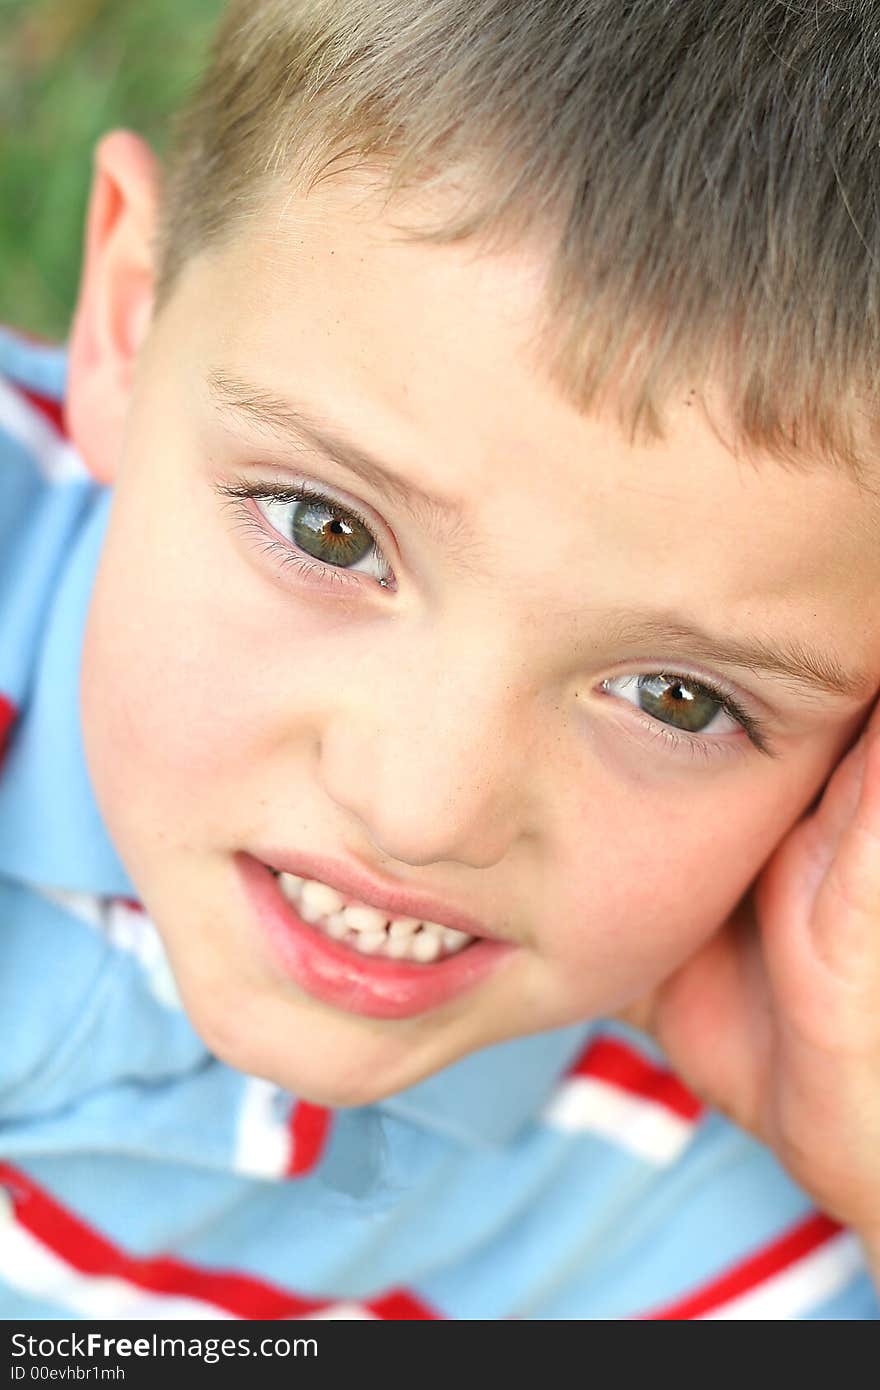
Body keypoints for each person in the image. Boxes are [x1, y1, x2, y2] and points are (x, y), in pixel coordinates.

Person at [2, 0, 879, 1320]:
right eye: (327, 527)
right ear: (129, 316)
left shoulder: (715, 1158)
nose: (419, 808)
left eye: (675, 697)